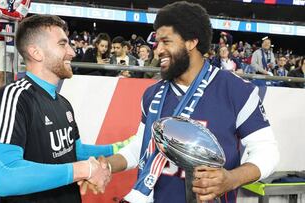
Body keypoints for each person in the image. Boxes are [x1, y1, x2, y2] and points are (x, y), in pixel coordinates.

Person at [81, 2, 279, 203]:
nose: (158, 51)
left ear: (191, 42)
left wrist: (231, 179)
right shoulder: (152, 94)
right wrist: (107, 166)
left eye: (166, 41)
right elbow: (141, 147)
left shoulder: (236, 90)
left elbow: (267, 151)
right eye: (158, 43)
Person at [0, 14, 132, 202]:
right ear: (36, 52)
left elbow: (74, 152)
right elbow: (5, 176)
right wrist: (84, 169)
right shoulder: (13, 96)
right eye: (63, 44)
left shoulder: (63, 103)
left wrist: (123, 146)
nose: (72, 52)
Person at [0, 0, 31, 90]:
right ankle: (1, 102)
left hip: (19, 39)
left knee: (18, 76)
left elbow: (19, 16)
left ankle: (17, 102)